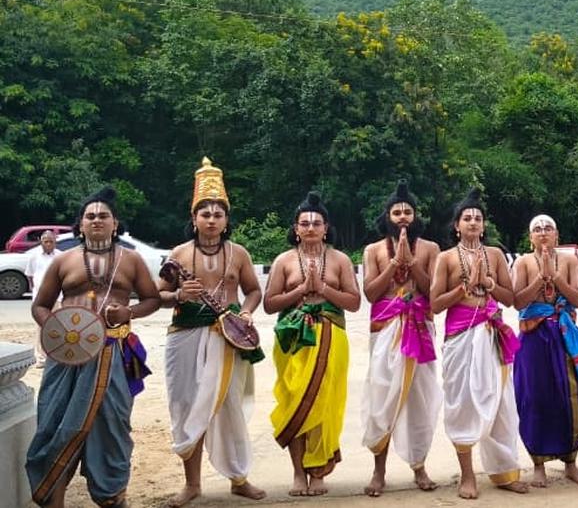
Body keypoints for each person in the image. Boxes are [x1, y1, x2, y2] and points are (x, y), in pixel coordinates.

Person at [26, 187, 160, 507]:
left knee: (112, 426)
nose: (97, 220)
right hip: (67, 357)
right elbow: (40, 305)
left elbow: (152, 299)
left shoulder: (132, 260)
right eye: (90, 216)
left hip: (113, 352)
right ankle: (54, 500)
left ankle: (112, 497)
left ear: (115, 224)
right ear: (81, 224)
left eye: (103, 215)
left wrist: (129, 312)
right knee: (56, 425)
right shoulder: (64, 261)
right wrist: (58, 330)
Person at [157, 158, 267, 506]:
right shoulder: (178, 254)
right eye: (204, 214)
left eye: (218, 214)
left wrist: (246, 312)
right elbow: (157, 296)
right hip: (185, 336)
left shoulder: (238, 253)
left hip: (228, 338)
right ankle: (192, 484)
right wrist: (178, 295)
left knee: (229, 406)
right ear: (194, 219)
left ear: (226, 220)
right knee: (186, 405)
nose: (211, 219)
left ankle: (238, 478)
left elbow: (254, 291)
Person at [429, 188, 527, 499]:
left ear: (483, 226)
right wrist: (464, 289)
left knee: (501, 404)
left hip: (492, 336)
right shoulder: (446, 258)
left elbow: (510, 299)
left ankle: (504, 472)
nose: (473, 222)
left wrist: (488, 283)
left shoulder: (495, 255)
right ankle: (467, 475)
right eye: (467, 218)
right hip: (460, 339)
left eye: (478, 218)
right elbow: (435, 304)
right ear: (456, 226)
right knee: (463, 405)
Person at [263, 192, 361, 497]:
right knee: (296, 401)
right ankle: (297, 472)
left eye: (316, 223)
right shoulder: (284, 260)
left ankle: (317, 471)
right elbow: (269, 304)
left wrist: (323, 289)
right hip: (293, 338)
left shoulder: (340, 260)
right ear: (295, 228)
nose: (310, 228)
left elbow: (354, 302)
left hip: (331, 336)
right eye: (304, 223)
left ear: (326, 228)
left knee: (324, 402)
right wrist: (301, 291)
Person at [360, 180, 442, 496]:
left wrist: (412, 263)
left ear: (416, 216)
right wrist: (395, 263)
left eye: (408, 211)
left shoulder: (431, 249)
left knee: (419, 401)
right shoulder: (373, 250)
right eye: (397, 212)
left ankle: (419, 467)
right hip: (384, 330)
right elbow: (370, 293)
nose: (403, 216)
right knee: (382, 399)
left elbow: (433, 293)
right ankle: (378, 471)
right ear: (387, 217)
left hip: (419, 328)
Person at [512, 214, 578, 487]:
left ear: (556, 235)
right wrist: (540, 278)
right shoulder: (523, 263)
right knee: (535, 397)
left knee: (570, 397)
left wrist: (556, 276)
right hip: (534, 337)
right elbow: (517, 301)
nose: (543, 232)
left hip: (564, 335)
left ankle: (571, 462)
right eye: (537, 229)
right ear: (530, 237)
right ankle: (538, 464)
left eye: (548, 228)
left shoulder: (569, 261)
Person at [25, 230, 59, 367]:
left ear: (55, 242)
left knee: (57, 326)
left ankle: (55, 356)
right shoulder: (34, 257)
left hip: (57, 297)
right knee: (41, 326)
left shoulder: (60, 256)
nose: (48, 244)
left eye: (51, 241)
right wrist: (36, 289)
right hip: (40, 299)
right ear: (41, 242)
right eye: (46, 241)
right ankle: (41, 358)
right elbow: (30, 275)